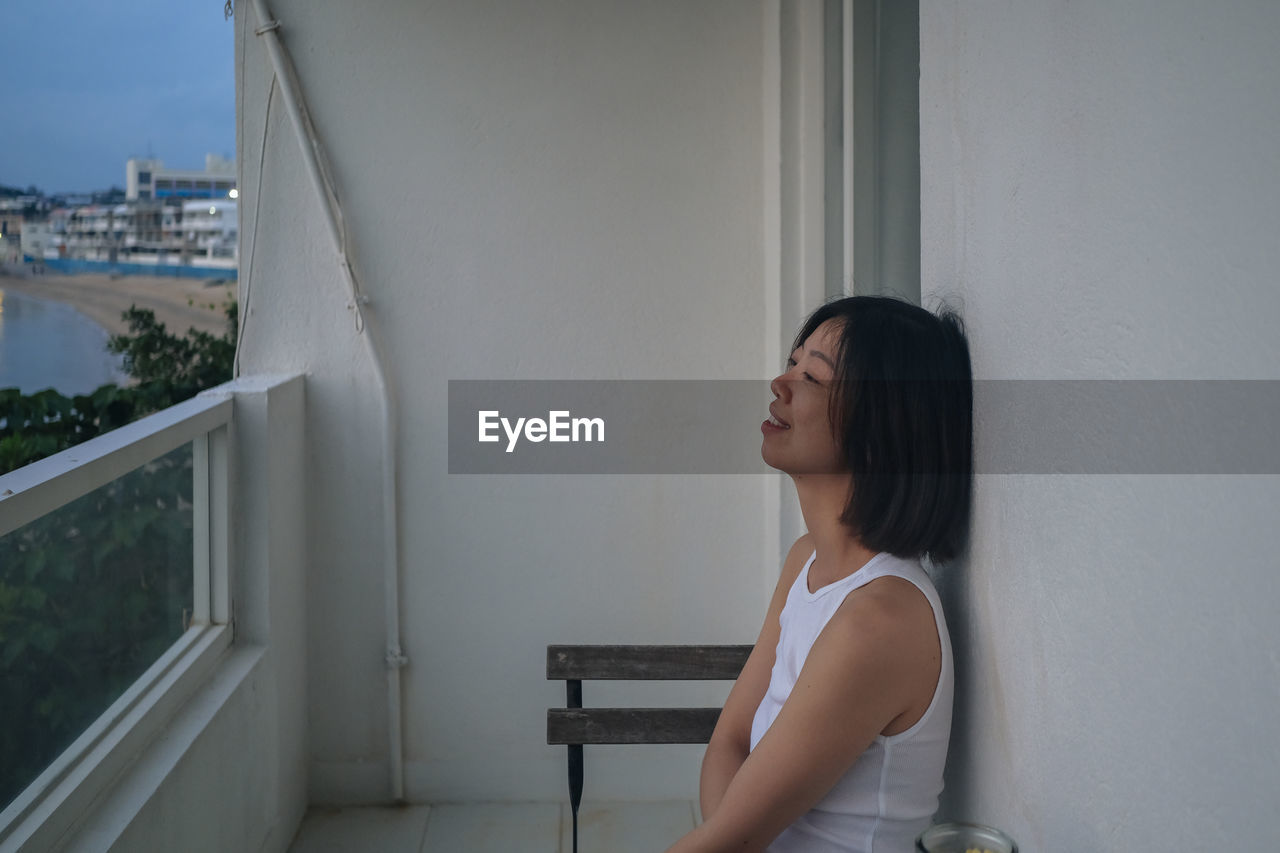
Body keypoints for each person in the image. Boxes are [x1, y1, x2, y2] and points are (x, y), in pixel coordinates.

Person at [667, 295, 973, 853]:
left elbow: (731, 838)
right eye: (793, 362)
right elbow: (729, 743)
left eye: (812, 376)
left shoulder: (881, 620)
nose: (780, 384)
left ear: (882, 431)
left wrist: (731, 836)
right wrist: (730, 833)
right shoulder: (805, 561)